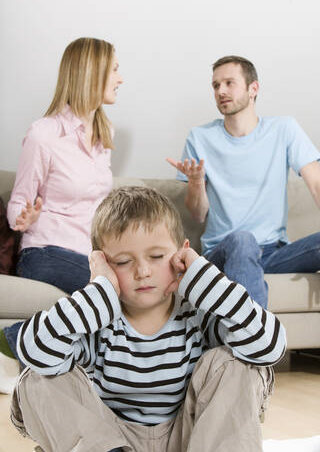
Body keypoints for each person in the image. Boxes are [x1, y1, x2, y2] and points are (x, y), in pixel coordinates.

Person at [11, 186, 286, 452]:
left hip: (192, 438)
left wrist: (204, 278)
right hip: (110, 439)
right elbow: (34, 351)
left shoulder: (199, 316)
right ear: (102, 263)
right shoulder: (98, 322)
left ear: (181, 253)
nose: (142, 271)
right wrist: (97, 290)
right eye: (122, 262)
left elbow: (270, 348)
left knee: (235, 363)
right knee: (39, 377)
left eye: (156, 256)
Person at [0, 37, 123, 390]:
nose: (120, 78)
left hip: (88, 253)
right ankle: (13, 341)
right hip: (46, 251)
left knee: (136, 289)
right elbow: (17, 204)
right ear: (92, 72)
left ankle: (22, 346)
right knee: (115, 292)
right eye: (114, 69)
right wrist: (22, 217)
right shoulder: (44, 134)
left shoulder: (105, 133)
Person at [167, 55, 320, 309]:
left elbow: (316, 183)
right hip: (224, 251)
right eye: (216, 85)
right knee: (242, 239)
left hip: (272, 253)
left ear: (253, 89)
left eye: (229, 83)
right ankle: (255, 338)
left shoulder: (284, 130)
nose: (221, 91)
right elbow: (197, 214)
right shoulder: (200, 137)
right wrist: (195, 183)